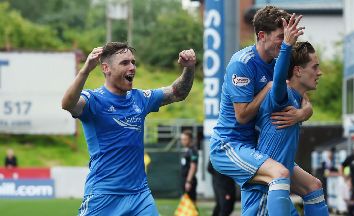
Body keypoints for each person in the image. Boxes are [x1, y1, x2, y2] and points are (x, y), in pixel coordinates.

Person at [210, 6, 326, 216]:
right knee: (279, 174)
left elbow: (304, 100)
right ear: (262, 36)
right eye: (281, 37)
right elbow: (242, 115)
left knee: (313, 186)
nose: (286, 43)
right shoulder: (241, 64)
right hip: (230, 146)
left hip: (258, 148)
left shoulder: (278, 63)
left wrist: (302, 114)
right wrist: (268, 88)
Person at [61, 42, 196, 215]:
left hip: (140, 195)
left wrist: (190, 68)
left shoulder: (140, 98)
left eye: (133, 62)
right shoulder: (94, 100)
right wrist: (85, 70)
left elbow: (178, 92)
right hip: (104, 195)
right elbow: (68, 104)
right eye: (124, 63)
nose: (132, 67)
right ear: (106, 68)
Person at [340, 141, 354, 216]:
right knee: (353, 202)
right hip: (353, 184)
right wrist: (344, 177)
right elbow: (342, 166)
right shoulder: (351, 157)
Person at [180, 129, 198, 202]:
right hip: (184, 180)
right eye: (182, 139)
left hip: (189, 181)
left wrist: (188, 182)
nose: (183, 141)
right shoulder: (187, 150)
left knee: (191, 205)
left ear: (190, 139)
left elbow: (193, 167)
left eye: (185, 139)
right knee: (186, 204)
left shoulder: (193, 150)